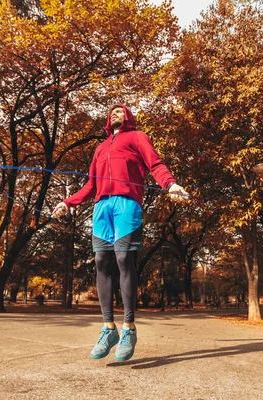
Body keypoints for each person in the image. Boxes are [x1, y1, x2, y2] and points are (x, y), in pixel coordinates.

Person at [52, 104, 188, 361]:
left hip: (127, 204)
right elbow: (91, 184)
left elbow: (155, 163)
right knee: (102, 260)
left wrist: (169, 184)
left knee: (124, 258)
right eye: (112, 111)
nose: (115, 112)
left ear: (129, 117)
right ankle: (108, 328)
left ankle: (129, 328)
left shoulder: (137, 137)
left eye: (121, 110)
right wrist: (68, 202)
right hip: (101, 206)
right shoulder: (100, 148)